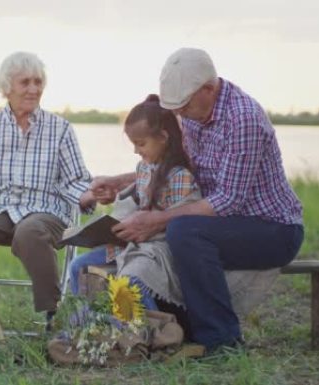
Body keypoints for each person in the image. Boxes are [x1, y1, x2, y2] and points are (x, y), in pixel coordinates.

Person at [93, 48, 304, 352]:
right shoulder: (193, 115)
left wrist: (158, 219)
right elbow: (175, 166)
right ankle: (166, 325)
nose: (179, 114)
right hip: (226, 223)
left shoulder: (243, 119)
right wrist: (120, 181)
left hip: (273, 229)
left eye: (184, 105)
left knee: (183, 230)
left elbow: (228, 200)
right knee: (173, 231)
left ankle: (221, 339)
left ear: (209, 88)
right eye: (175, 108)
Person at [0, 52, 95, 323]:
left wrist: (88, 195)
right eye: (25, 82)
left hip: (45, 210)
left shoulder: (60, 129)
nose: (33, 89)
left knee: (29, 232)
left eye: (38, 82)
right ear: (7, 88)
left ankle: (52, 314)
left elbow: (75, 180)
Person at [69, 94, 201, 314]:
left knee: (131, 280)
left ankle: (146, 333)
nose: (136, 151)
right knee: (79, 266)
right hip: (132, 244)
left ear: (163, 138)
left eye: (141, 144)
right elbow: (140, 206)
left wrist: (143, 226)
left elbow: (181, 225)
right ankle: (88, 329)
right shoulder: (143, 168)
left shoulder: (180, 176)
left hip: (158, 249)